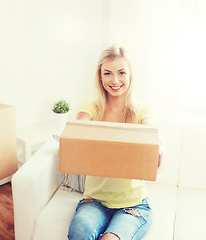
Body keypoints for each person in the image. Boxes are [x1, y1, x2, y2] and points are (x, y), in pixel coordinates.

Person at [68, 45, 162, 240]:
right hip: (94, 201)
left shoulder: (142, 110)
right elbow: (79, 129)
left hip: (134, 204)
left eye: (121, 73)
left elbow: (149, 133)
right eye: (108, 73)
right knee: (79, 234)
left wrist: (158, 144)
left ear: (130, 76)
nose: (115, 80)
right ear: (100, 76)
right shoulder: (90, 106)